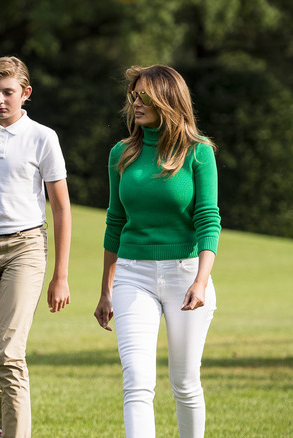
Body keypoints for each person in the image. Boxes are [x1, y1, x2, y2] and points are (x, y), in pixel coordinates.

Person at [93, 64, 220, 438]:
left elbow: (208, 219)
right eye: (133, 95)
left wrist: (201, 279)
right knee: (136, 381)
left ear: (167, 99)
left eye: (144, 96)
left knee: (184, 382)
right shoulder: (121, 153)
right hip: (134, 276)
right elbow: (115, 221)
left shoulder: (198, 153)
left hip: (186, 275)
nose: (135, 102)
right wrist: (106, 289)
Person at [0, 56, 71, 438]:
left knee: (9, 354)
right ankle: (10, 426)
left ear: (26, 93)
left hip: (26, 248)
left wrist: (61, 276)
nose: (0, 100)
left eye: (8, 92)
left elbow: (60, 208)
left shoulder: (44, 137)